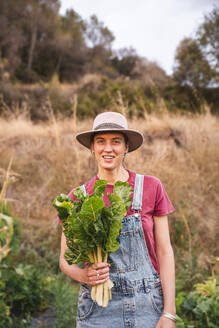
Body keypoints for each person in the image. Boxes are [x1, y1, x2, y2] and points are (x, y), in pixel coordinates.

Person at [59, 111, 176, 328]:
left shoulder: (151, 186)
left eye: (116, 141)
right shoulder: (77, 197)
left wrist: (169, 312)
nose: (108, 148)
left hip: (148, 305)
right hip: (98, 308)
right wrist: (85, 276)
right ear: (92, 147)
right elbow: (65, 261)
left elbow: (165, 252)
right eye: (101, 141)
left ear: (126, 147)